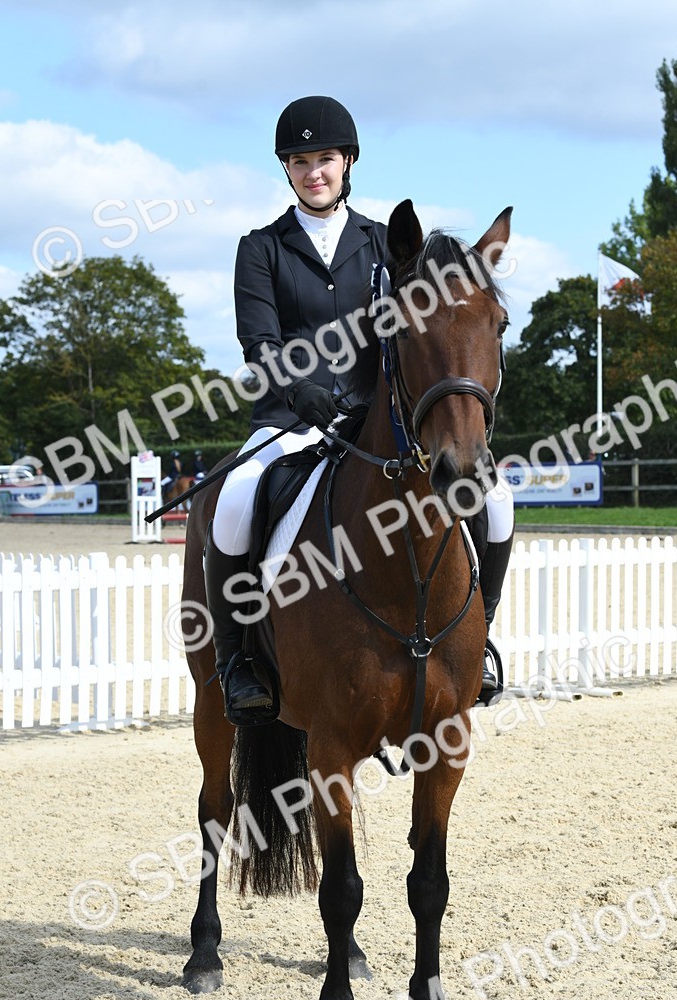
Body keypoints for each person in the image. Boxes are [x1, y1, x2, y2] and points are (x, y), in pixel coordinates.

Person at [207, 95, 512, 718]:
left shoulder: (386, 245)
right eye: (299, 161)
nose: (313, 171)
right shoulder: (260, 248)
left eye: (324, 158)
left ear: (347, 162)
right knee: (235, 499)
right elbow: (259, 343)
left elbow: (422, 331)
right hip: (288, 424)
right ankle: (238, 659)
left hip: (376, 425)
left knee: (497, 501)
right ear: (286, 170)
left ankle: (475, 641)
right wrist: (301, 391)